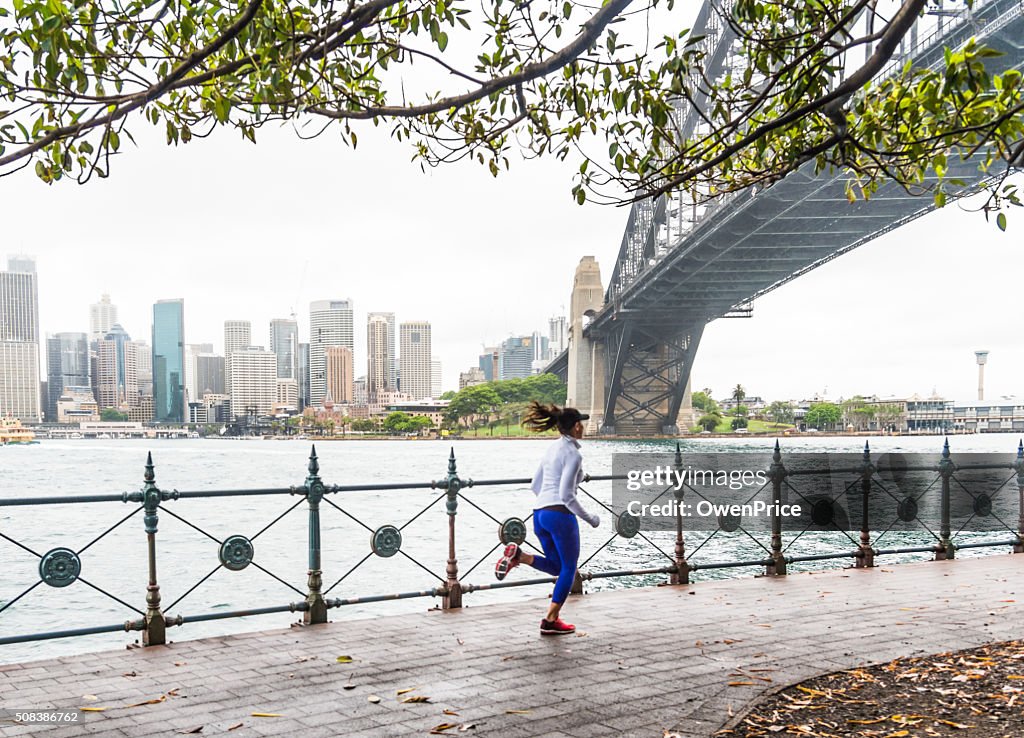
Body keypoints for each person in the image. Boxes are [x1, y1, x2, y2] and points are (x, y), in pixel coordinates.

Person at [494, 401, 601, 635]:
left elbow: (536, 485)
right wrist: (590, 518)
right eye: (580, 424)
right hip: (560, 515)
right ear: (575, 428)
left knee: (556, 566)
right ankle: (551, 620)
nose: (582, 427)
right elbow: (566, 495)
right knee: (569, 569)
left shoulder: (552, 449)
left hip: (539, 514)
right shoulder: (573, 454)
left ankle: (520, 556)